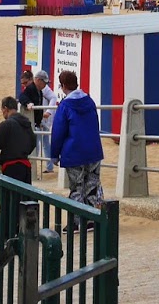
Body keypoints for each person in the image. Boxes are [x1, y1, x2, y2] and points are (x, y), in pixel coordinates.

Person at [49, 70, 103, 227]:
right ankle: (92, 218)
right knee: (91, 185)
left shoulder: (65, 106)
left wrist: (54, 154)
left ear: (63, 86)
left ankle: (77, 221)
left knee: (77, 187)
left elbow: (58, 131)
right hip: (93, 151)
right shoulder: (90, 101)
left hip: (74, 152)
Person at [0, 95, 34, 238]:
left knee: (9, 200)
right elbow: (33, 143)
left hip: (11, 166)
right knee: (24, 199)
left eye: (2, 110)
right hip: (25, 165)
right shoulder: (27, 123)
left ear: (5, 108)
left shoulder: (6, 125)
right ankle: (25, 228)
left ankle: (8, 232)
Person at [35, 70, 59, 173]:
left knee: (39, 142)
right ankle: (49, 166)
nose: (45, 84)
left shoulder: (45, 89)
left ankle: (47, 166)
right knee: (44, 143)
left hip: (43, 120)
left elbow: (53, 97)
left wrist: (48, 112)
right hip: (42, 119)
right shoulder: (37, 88)